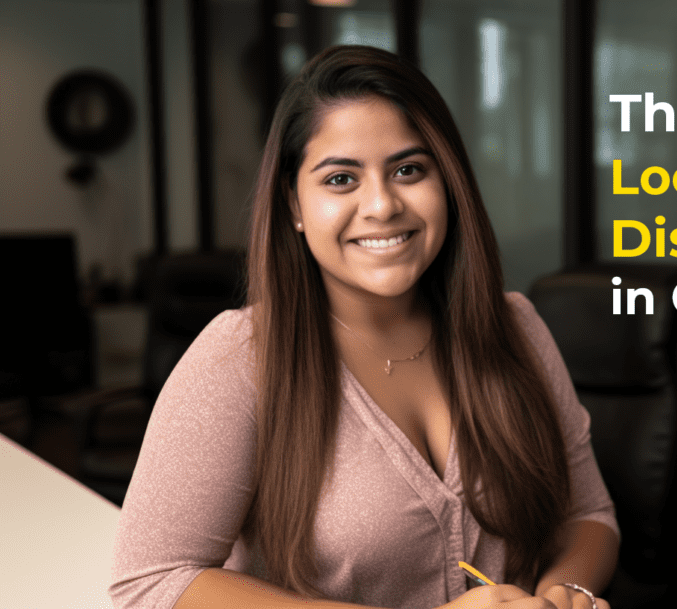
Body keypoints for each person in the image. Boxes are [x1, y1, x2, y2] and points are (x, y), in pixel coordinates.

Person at [110, 45, 618, 609]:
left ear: (447, 182)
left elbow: (588, 515)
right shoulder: (241, 358)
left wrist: (561, 594)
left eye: (408, 170)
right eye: (341, 179)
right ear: (295, 206)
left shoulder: (514, 326)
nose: (381, 205)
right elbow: (153, 581)